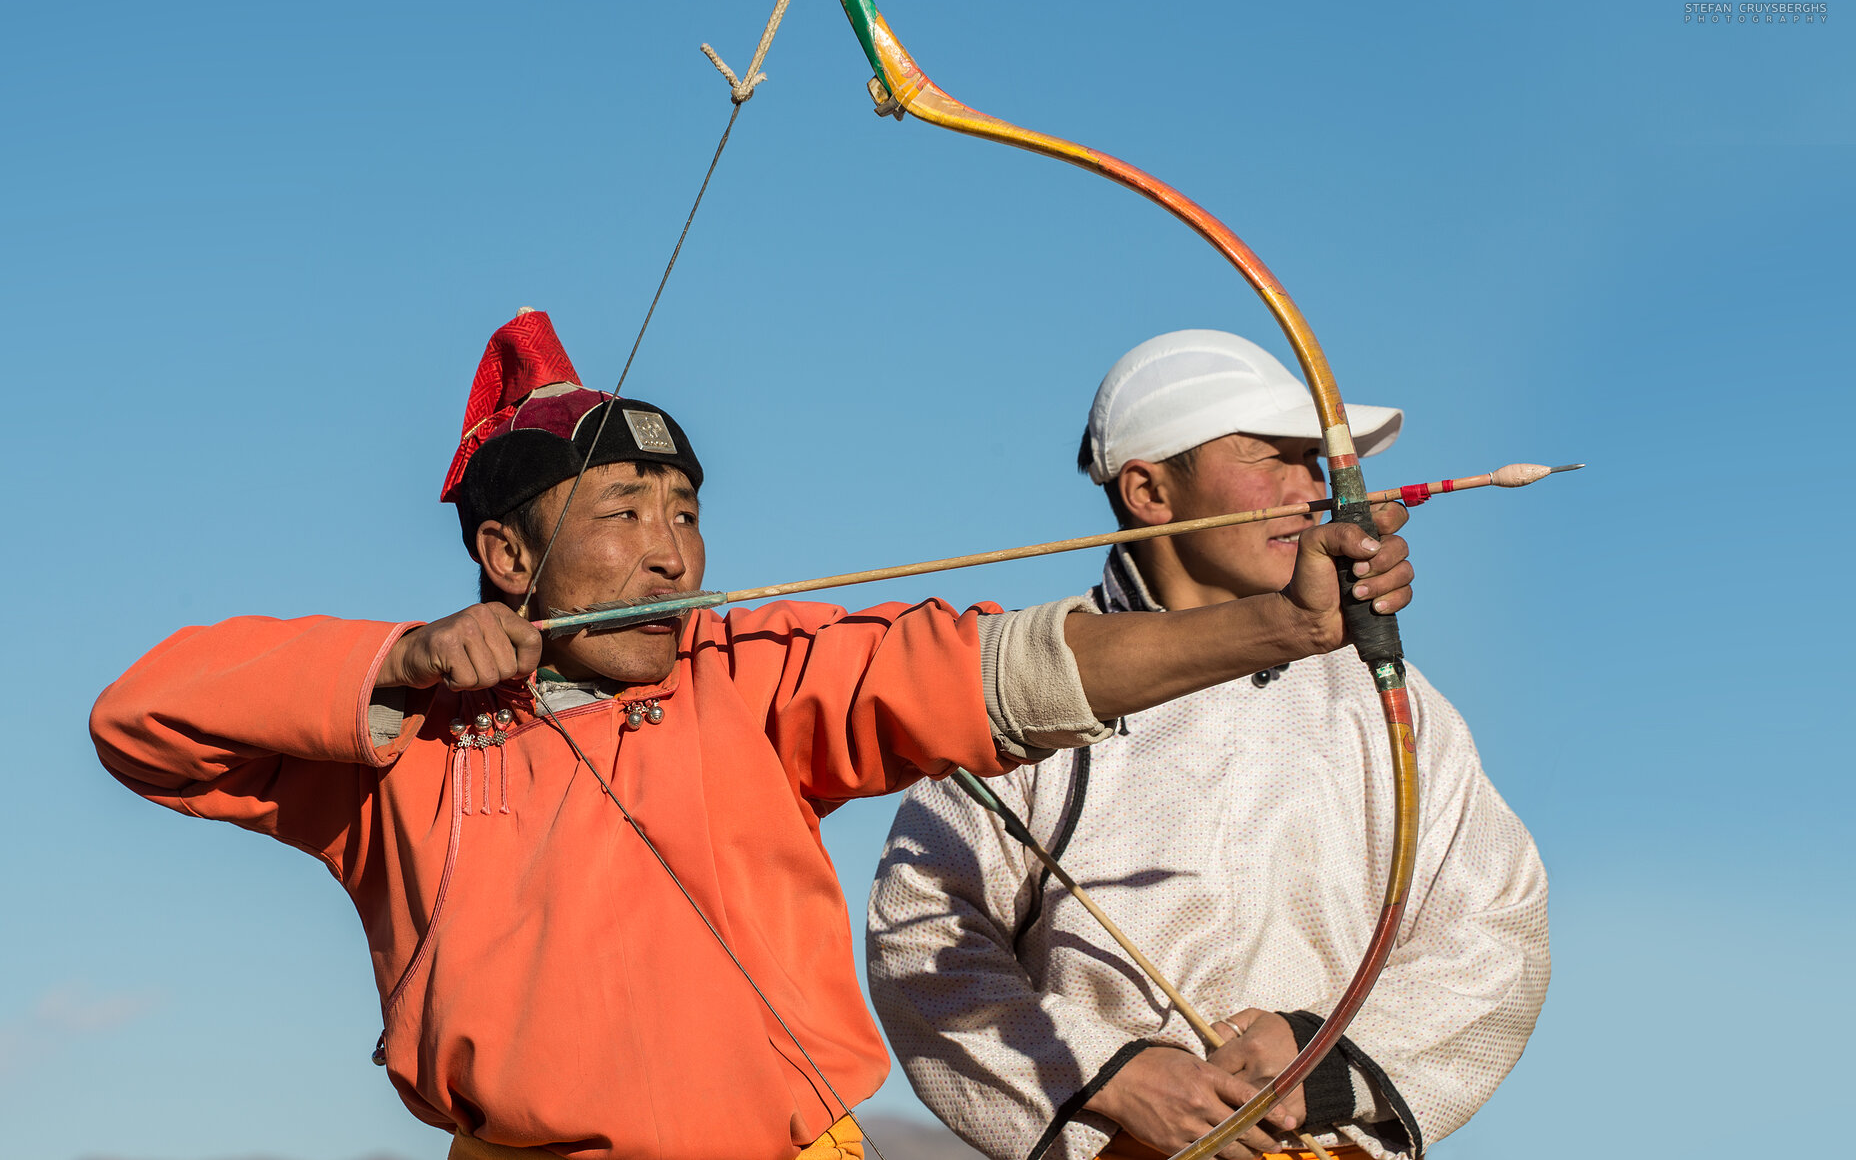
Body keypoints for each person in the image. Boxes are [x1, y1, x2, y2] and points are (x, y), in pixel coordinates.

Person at [90, 312, 1418, 1160]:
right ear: (507, 553)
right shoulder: (403, 743)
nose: (674, 546)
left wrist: (1277, 632)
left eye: (686, 508)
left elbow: (996, 670)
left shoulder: (757, 677)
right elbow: (140, 717)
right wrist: (400, 659)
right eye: (623, 511)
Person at [866, 330, 1548, 1160]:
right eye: (1274, 457)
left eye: (1314, 461)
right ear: (1151, 490)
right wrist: (1109, 1072)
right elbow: (923, 925)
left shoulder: (1386, 694)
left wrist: (1321, 1056)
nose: (1311, 491)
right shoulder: (1031, 687)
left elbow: (1495, 925)